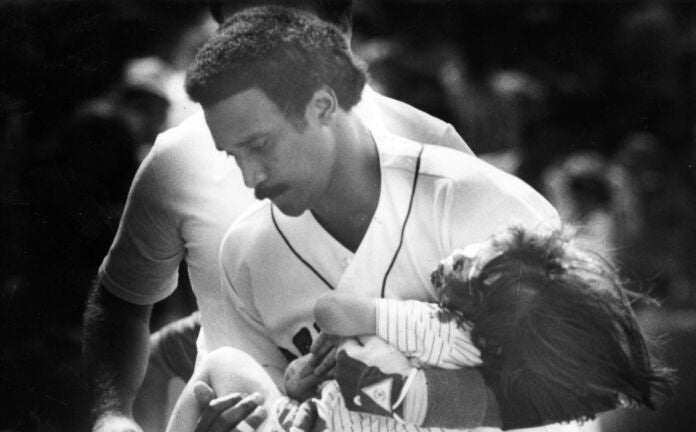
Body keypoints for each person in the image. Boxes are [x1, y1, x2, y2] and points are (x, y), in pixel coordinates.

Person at [82, 1, 475, 432]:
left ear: (340, 29)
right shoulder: (180, 161)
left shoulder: (431, 148)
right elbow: (121, 300)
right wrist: (112, 416)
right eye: (246, 32)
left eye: (289, 29)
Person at [183, 6, 574, 432]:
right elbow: (272, 409)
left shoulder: (479, 202)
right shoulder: (247, 250)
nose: (249, 177)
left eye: (260, 145)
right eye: (233, 154)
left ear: (322, 105)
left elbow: (578, 391)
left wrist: (402, 386)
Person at [165, 225, 672, 432]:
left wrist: (341, 370)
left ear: (487, 329)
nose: (460, 253)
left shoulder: (459, 381)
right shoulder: (474, 373)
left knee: (221, 365)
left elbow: (376, 392)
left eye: (471, 268)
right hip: (312, 413)